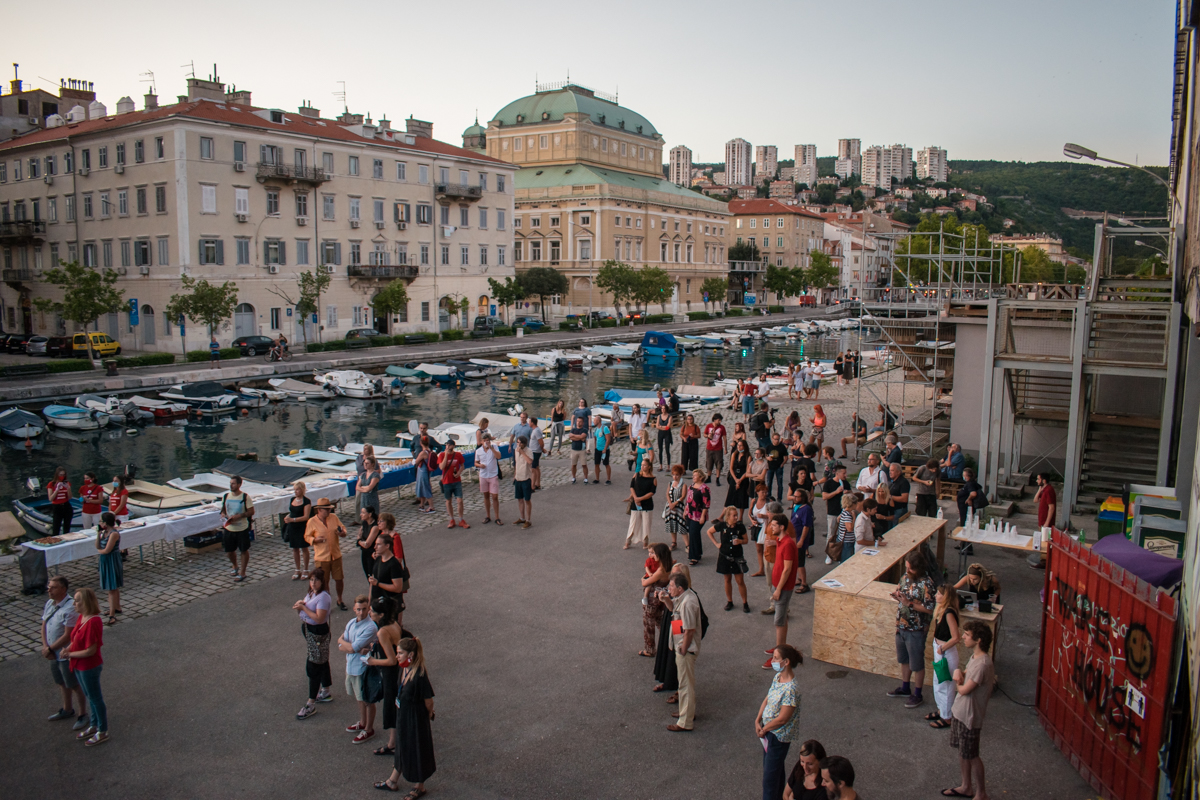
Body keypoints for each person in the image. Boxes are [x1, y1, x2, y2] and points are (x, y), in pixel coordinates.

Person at [375, 637, 436, 796]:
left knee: (417, 749)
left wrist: (429, 714)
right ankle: (392, 780)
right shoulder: (404, 669)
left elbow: (428, 701)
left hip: (416, 719)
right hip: (403, 715)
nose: (397, 656)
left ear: (411, 654)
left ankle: (419, 786)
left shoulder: (419, 675)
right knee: (402, 746)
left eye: (400, 653)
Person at [945, 622, 996, 800]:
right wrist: (959, 673)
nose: (964, 637)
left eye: (967, 634)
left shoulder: (983, 664)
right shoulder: (975, 657)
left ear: (978, 639)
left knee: (973, 755)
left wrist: (957, 680)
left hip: (970, 717)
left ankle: (981, 793)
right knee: (963, 752)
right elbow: (965, 673)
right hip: (960, 713)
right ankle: (966, 786)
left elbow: (964, 689)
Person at [887, 550, 936, 708]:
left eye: (910, 568)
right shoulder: (905, 577)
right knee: (904, 659)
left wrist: (909, 604)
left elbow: (929, 609)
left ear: (919, 568)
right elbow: (901, 590)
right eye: (907, 567)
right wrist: (897, 595)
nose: (907, 570)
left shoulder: (927, 583)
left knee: (917, 663)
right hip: (901, 625)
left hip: (916, 629)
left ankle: (918, 693)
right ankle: (905, 687)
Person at [41, 576, 89, 733]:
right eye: (49, 586)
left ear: (63, 589)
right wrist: (45, 646)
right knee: (61, 681)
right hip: (53, 653)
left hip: (65, 653)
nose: (49, 590)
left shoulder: (70, 608)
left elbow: (68, 635)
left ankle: (83, 713)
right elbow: (44, 624)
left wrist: (50, 649)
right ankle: (67, 709)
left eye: (53, 587)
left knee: (74, 683)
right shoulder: (50, 603)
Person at [758, 644, 804, 800]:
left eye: (776, 658)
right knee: (774, 771)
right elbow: (768, 697)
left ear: (786, 662)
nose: (773, 661)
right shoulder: (778, 677)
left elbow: (783, 718)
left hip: (778, 737)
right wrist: (758, 719)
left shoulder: (791, 689)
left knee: (770, 780)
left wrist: (765, 729)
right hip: (768, 732)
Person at [65, 587, 108, 746]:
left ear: (85, 602)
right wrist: (68, 649)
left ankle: (102, 730)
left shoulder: (93, 621)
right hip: (79, 664)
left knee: (95, 698)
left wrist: (70, 654)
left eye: (77, 601)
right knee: (90, 696)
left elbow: (91, 650)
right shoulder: (81, 617)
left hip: (89, 666)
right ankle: (94, 725)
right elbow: (75, 639)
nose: (74, 604)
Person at [364, 596, 404, 757]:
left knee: (391, 706)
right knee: (395, 705)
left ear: (381, 615)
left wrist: (373, 661)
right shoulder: (393, 623)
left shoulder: (383, 631)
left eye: (372, 611)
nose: (370, 613)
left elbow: (391, 660)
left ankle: (393, 744)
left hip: (390, 674)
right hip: (398, 673)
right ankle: (394, 742)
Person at [339, 594, 379, 744]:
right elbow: (342, 646)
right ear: (354, 609)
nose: (361, 612)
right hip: (351, 666)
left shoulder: (370, 627)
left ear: (368, 609)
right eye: (358, 609)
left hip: (363, 668)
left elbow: (351, 647)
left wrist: (343, 642)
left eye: (364, 609)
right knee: (359, 697)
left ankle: (369, 729)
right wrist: (344, 644)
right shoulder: (351, 623)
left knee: (367, 699)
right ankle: (363, 722)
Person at [294, 568, 333, 719]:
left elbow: (319, 618)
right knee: (321, 660)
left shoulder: (323, 597)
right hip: (309, 629)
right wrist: (301, 605)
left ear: (322, 582)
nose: (313, 583)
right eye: (311, 580)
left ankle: (310, 703)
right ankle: (326, 690)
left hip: (317, 632)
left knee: (314, 664)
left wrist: (303, 608)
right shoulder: (312, 593)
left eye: (316, 580)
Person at [666, 573, 701, 732]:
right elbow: (674, 610)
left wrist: (683, 649)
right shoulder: (684, 597)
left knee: (685, 685)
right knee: (684, 682)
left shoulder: (687, 603)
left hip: (685, 649)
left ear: (680, 588)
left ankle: (685, 722)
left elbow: (689, 630)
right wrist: (666, 600)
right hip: (681, 645)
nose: (669, 589)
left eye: (671, 586)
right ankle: (686, 712)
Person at [928, 582, 961, 730]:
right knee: (938, 682)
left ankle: (947, 716)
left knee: (946, 685)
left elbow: (956, 637)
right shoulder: (942, 610)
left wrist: (943, 648)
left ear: (946, 596)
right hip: (940, 649)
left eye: (939, 594)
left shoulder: (949, 613)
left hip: (945, 652)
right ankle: (942, 710)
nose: (936, 595)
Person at [305, 497, 348, 610]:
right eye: (326, 509)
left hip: (335, 555)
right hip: (322, 557)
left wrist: (342, 533)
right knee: (324, 582)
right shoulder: (312, 521)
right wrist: (314, 540)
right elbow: (307, 536)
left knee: (339, 579)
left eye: (329, 509)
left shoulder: (333, 517)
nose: (329, 511)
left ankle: (340, 599)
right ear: (319, 510)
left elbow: (343, 529)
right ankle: (325, 603)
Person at [766, 515, 799, 663]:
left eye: (774, 525)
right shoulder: (780, 541)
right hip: (778, 585)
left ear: (782, 527)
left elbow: (787, 569)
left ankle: (779, 655)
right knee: (783, 618)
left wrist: (778, 589)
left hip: (783, 587)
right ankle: (781, 648)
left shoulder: (787, 544)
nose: (771, 527)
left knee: (779, 621)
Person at [707, 506, 750, 612]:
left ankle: (745, 602)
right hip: (724, 556)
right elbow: (709, 532)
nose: (736, 517)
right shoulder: (722, 526)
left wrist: (740, 541)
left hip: (737, 556)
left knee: (740, 580)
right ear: (728, 516)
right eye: (734, 515)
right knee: (727, 579)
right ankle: (729, 601)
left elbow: (746, 540)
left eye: (736, 515)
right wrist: (716, 544)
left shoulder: (740, 527)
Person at [639, 543, 673, 657]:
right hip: (661, 599)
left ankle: (650, 649)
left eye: (654, 553)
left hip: (652, 599)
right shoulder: (670, 566)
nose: (652, 556)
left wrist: (643, 579)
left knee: (649, 624)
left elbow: (645, 583)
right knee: (660, 621)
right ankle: (670, 643)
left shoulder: (661, 571)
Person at [220, 475, 255, 583]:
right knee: (229, 551)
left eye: (233, 484)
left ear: (239, 485)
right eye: (230, 483)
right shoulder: (226, 496)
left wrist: (240, 516)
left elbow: (251, 511)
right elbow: (223, 510)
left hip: (242, 528)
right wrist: (224, 515)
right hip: (229, 528)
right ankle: (235, 565)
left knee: (244, 550)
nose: (231, 485)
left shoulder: (245, 497)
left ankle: (242, 572)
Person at [95, 512, 123, 625]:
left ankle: (112, 614)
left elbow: (107, 550)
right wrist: (98, 534)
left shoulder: (114, 534)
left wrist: (99, 552)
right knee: (112, 587)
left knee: (112, 587)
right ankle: (116, 607)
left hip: (112, 560)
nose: (100, 523)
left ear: (105, 523)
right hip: (105, 560)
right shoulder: (104, 533)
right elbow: (97, 545)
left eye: (101, 521)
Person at [625, 458, 658, 550]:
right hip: (636, 503)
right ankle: (628, 541)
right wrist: (635, 498)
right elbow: (632, 486)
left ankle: (645, 542)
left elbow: (652, 492)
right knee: (633, 522)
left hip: (647, 504)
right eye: (642, 465)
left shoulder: (653, 479)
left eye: (644, 465)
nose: (642, 467)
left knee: (646, 523)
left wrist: (640, 499)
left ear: (649, 467)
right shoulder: (637, 475)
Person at [821, 464, 851, 564]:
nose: (845, 475)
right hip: (832, 512)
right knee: (831, 534)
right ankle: (829, 554)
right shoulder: (829, 483)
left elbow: (851, 495)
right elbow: (824, 496)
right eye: (844, 473)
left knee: (841, 535)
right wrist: (836, 492)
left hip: (843, 512)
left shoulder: (846, 483)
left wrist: (848, 493)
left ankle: (838, 554)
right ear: (837, 473)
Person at [369, 532, 407, 608]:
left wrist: (378, 584)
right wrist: (369, 601)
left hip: (388, 604)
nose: (375, 547)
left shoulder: (394, 564)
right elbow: (373, 581)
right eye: (375, 544)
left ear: (387, 546)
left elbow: (398, 588)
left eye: (378, 544)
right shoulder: (378, 559)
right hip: (376, 602)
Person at [284, 481, 313, 580]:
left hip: (301, 527)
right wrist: (288, 517)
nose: (295, 492)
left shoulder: (306, 501)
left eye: (297, 489)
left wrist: (293, 519)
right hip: (292, 527)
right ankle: (297, 568)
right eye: (295, 490)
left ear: (302, 490)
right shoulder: (292, 499)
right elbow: (292, 511)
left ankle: (306, 569)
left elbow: (306, 516)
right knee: (295, 548)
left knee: (304, 548)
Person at [437, 440, 468, 529]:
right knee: (448, 501)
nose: (448, 446)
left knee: (460, 500)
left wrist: (459, 472)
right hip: (446, 481)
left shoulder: (458, 455)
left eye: (449, 445)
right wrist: (446, 455)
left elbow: (462, 466)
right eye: (447, 444)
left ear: (453, 446)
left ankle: (461, 519)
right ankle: (451, 519)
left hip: (456, 481)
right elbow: (442, 467)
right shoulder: (442, 455)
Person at [475, 432, 503, 525]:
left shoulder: (494, 447)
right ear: (482, 441)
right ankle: (488, 516)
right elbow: (476, 462)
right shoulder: (478, 451)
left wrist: (491, 448)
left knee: (494, 496)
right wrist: (479, 465)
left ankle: (497, 517)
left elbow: (499, 456)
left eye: (488, 441)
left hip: (493, 475)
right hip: (483, 475)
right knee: (486, 496)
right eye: (485, 441)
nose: (486, 442)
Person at [684, 470, 711, 566]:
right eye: (693, 475)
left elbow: (706, 504)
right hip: (690, 513)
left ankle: (694, 556)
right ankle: (698, 552)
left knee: (693, 533)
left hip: (699, 515)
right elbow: (688, 500)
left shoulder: (704, 489)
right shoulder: (691, 486)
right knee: (693, 533)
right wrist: (685, 511)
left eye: (695, 476)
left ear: (701, 477)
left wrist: (703, 516)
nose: (693, 477)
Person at [790, 489, 815, 592]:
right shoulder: (796, 506)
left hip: (800, 538)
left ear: (802, 498)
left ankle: (804, 584)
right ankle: (800, 578)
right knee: (796, 560)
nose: (794, 498)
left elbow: (806, 526)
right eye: (794, 496)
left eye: (797, 497)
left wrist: (801, 540)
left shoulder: (806, 509)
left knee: (800, 562)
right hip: (794, 537)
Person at [662, 464, 687, 550]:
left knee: (682, 525)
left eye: (677, 475)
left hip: (679, 507)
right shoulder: (670, 483)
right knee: (672, 524)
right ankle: (674, 542)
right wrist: (670, 503)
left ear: (680, 475)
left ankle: (687, 545)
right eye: (673, 475)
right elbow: (667, 494)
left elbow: (683, 496)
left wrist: (675, 503)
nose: (675, 477)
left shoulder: (683, 485)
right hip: (670, 507)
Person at [749, 482, 771, 578]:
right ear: (757, 492)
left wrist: (764, 516)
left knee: (767, 549)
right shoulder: (754, 501)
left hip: (766, 527)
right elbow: (750, 513)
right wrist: (752, 521)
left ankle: (768, 569)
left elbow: (773, 515)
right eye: (762, 492)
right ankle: (761, 569)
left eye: (766, 492)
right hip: (757, 527)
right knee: (759, 549)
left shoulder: (769, 502)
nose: (764, 494)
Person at [513, 436, 534, 528]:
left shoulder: (529, 451)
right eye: (517, 442)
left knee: (527, 500)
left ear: (524, 443)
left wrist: (522, 452)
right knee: (520, 499)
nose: (518, 444)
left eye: (520, 443)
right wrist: (514, 475)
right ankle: (522, 518)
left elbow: (530, 461)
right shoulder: (516, 450)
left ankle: (528, 520)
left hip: (526, 478)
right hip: (518, 478)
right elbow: (516, 463)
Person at [357, 506, 381, 581]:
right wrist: (361, 541)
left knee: (373, 575)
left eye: (363, 513)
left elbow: (367, 544)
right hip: (364, 553)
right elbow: (359, 535)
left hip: (372, 553)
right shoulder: (364, 523)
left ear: (370, 514)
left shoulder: (375, 526)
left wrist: (359, 541)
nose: (361, 514)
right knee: (367, 574)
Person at [413, 438, 435, 514]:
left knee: (425, 487)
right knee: (422, 487)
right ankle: (421, 504)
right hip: (426, 471)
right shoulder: (430, 451)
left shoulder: (423, 453)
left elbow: (416, 461)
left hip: (422, 471)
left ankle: (431, 507)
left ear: (421, 443)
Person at [704, 413, 727, 486]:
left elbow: (724, 438)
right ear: (714, 420)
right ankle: (709, 477)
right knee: (709, 463)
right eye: (718, 420)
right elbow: (704, 434)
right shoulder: (709, 426)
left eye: (720, 420)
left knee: (719, 464)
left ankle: (717, 478)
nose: (720, 422)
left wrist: (725, 448)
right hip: (709, 448)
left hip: (718, 448)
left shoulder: (722, 427)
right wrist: (708, 435)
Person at [766, 432, 789, 501]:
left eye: (778, 439)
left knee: (779, 483)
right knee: (769, 483)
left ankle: (779, 498)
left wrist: (783, 464)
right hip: (770, 466)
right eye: (775, 439)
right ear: (772, 439)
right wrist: (767, 458)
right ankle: (768, 497)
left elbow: (786, 457)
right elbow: (765, 455)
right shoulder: (769, 446)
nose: (776, 441)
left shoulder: (782, 447)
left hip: (779, 467)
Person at [592, 414, 613, 485]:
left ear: (598, 421)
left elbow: (608, 439)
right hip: (597, 449)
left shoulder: (605, 428)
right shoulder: (595, 429)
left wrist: (605, 448)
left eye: (594, 420)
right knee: (596, 464)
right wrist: (595, 447)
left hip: (604, 450)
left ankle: (608, 479)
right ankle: (597, 479)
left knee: (606, 464)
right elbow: (595, 438)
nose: (593, 421)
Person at [568, 417, 590, 485]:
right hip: (574, 449)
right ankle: (574, 477)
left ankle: (586, 478)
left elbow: (582, 437)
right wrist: (579, 437)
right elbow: (571, 437)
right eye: (577, 421)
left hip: (582, 450)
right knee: (573, 465)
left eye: (580, 421)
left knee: (584, 464)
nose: (578, 423)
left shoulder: (584, 430)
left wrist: (574, 436)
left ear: (583, 423)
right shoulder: (573, 429)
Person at [627, 403, 648, 468]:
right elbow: (630, 427)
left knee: (639, 451)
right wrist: (630, 437)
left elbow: (643, 427)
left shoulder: (643, 416)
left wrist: (638, 436)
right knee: (635, 451)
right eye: (633, 408)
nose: (634, 409)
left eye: (635, 408)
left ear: (638, 408)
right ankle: (636, 464)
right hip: (633, 435)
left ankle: (633, 462)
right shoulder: (631, 417)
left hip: (640, 436)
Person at [655, 402, 674, 469]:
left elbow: (668, 427)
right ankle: (661, 466)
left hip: (667, 434)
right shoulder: (659, 416)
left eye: (664, 408)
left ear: (666, 409)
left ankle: (668, 466)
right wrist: (663, 427)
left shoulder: (669, 416)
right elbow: (657, 426)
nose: (663, 410)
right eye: (662, 408)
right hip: (660, 433)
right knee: (660, 450)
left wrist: (661, 426)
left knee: (667, 450)